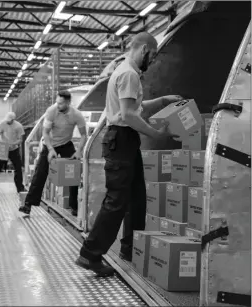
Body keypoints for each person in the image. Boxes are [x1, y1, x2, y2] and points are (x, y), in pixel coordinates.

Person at [75, 32, 182, 277]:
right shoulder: (129, 74)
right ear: (144, 49)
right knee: (116, 202)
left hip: (125, 140)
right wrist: (155, 134)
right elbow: (128, 116)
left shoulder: (126, 73)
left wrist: (163, 100)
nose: (152, 60)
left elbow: (137, 107)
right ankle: (90, 255)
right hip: (121, 139)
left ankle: (130, 248)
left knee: (136, 197)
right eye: (152, 55)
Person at [19, 90, 87, 216]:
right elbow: (45, 132)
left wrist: (78, 151)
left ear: (68, 102)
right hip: (49, 144)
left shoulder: (76, 115)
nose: (58, 105)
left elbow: (84, 135)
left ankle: (74, 206)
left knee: (73, 173)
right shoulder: (51, 111)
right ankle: (28, 205)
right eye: (57, 102)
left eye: (61, 103)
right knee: (40, 173)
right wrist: (50, 149)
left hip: (66, 144)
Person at [0, 112, 26, 193]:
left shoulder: (18, 126)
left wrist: (12, 144)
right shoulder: (2, 124)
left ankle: (20, 188)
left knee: (18, 168)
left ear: (13, 120)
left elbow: (20, 140)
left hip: (14, 150)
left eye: (9, 121)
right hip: (3, 149)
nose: (7, 122)